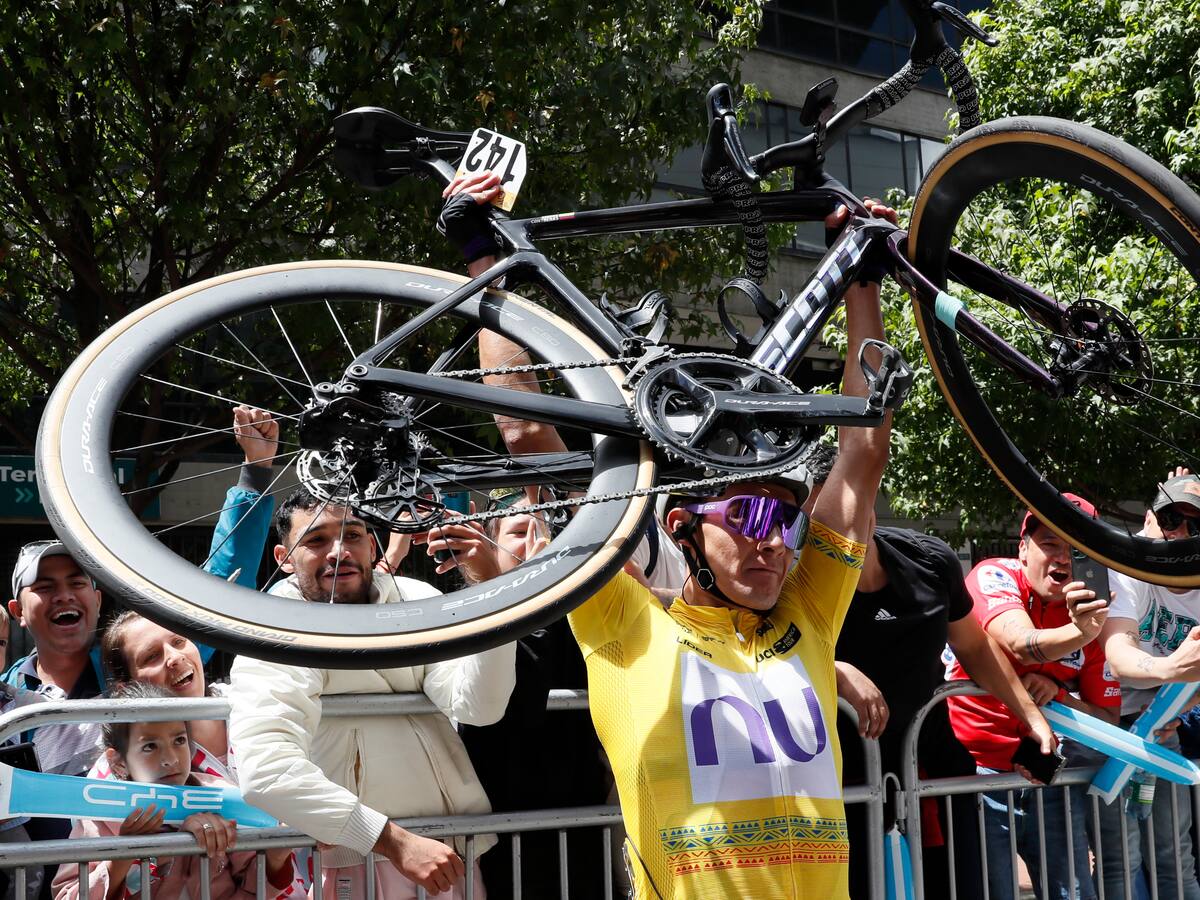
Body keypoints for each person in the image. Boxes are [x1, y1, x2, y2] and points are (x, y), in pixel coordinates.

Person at [227, 488, 516, 898]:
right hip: (362, 864)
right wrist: (394, 841)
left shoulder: (417, 599)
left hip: (454, 855)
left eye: (353, 534)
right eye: (316, 540)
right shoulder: (271, 634)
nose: (338, 550)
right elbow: (267, 771)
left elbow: (479, 707)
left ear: (373, 543)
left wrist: (493, 592)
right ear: (284, 559)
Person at [805, 445, 1054, 900]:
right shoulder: (790, 582)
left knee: (958, 887)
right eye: (822, 518)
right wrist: (832, 668)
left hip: (935, 774)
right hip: (839, 785)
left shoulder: (931, 560)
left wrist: (1032, 720)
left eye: (851, 505)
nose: (841, 528)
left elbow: (975, 646)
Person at [418, 489, 611, 899]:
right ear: (490, 545)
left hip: (580, 818)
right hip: (500, 823)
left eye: (549, 532)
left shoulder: (581, 611)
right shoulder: (463, 614)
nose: (535, 543)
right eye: (520, 531)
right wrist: (503, 587)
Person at [946, 496, 1119, 900]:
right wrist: (1081, 634)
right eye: (1050, 544)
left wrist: (1060, 696)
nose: (1062, 558)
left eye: (1076, 549)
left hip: (1048, 772)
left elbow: (1106, 722)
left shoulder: (1091, 614)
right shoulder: (993, 574)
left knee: (1074, 893)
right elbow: (1023, 645)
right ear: (1023, 549)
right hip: (975, 774)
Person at [50, 681, 304, 899]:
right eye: (150, 746)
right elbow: (66, 893)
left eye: (179, 740)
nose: (170, 758)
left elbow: (254, 889)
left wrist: (275, 858)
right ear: (118, 762)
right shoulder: (100, 813)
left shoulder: (223, 799)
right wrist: (123, 854)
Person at [1095, 470, 1200, 900]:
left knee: (1176, 855)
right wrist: (1172, 670)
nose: (1182, 533)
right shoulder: (1124, 567)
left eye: (1196, 526)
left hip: (1163, 733)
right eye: (1172, 518)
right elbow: (1119, 656)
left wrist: (1183, 706)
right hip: (1110, 731)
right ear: (1149, 518)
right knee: (1121, 860)